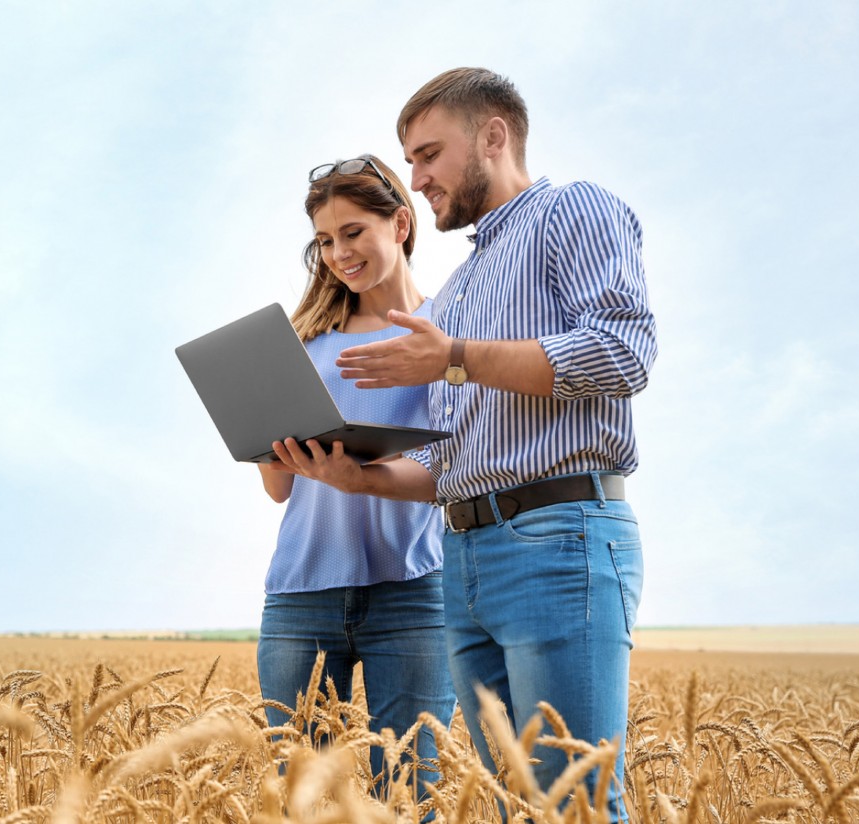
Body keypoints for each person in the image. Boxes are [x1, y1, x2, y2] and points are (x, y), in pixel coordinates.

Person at [271, 69, 657, 821]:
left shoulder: (570, 210)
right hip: (467, 560)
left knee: (569, 798)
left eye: (427, 155)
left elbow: (621, 354)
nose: (415, 180)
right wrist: (363, 481)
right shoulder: (458, 289)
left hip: (555, 538)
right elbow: (454, 458)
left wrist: (453, 358)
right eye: (409, 162)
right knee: (514, 801)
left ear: (492, 136)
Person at [256, 154, 456, 801]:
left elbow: (456, 469)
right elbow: (278, 489)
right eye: (324, 241)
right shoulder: (301, 341)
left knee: (408, 796)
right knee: (308, 803)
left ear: (400, 224)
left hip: (413, 594)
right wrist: (266, 439)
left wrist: (362, 477)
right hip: (301, 595)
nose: (338, 253)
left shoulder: (445, 335)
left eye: (352, 233)